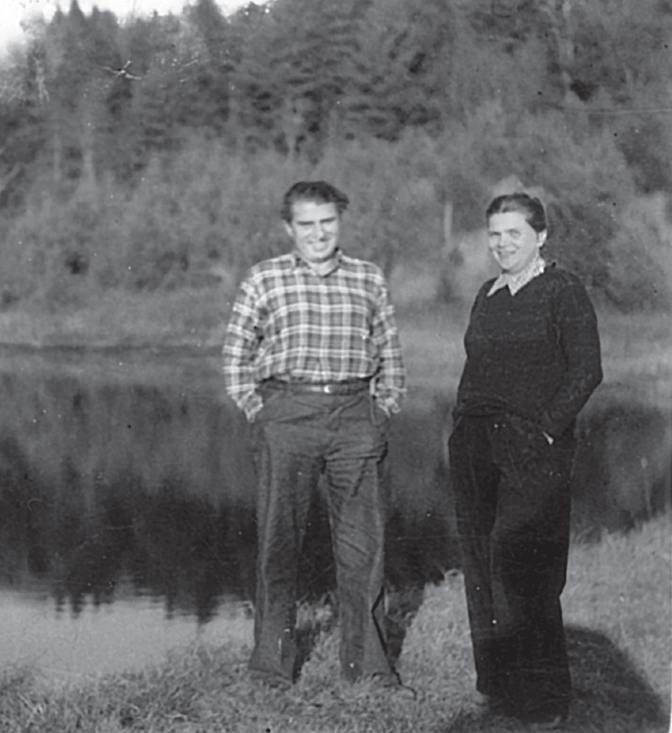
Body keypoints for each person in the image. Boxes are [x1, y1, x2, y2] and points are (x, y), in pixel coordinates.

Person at [222, 180, 409, 693]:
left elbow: (389, 351)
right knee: (278, 546)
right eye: (307, 224)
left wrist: (383, 408)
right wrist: (259, 409)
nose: (319, 233)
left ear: (339, 223)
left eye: (327, 222)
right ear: (290, 229)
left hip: (355, 415)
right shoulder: (264, 279)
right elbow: (237, 355)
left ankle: (368, 667)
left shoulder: (368, 279)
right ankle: (271, 667)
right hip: (288, 413)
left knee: (362, 548)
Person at [448, 192, 603, 729]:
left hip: (533, 450)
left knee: (527, 572)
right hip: (475, 443)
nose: (502, 243)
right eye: (494, 234)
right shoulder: (487, 294)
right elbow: (477, 369)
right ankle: (496, 687)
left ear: (541, 235)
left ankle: (544, 699)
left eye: (514, 233)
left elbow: (587, 370)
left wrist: (544, 430)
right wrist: (460, 426)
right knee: (480, 567)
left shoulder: (562, 288)